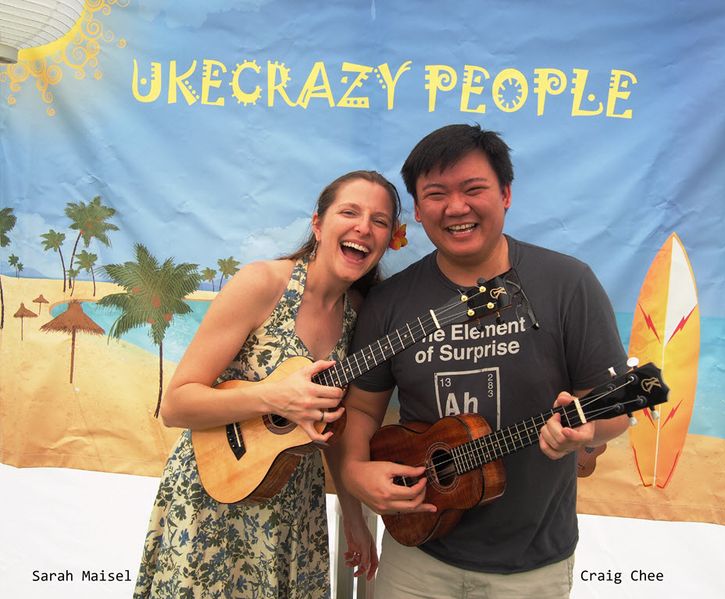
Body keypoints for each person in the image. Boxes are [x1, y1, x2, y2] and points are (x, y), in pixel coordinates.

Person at [330, 124, 630, 598]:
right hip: (416, 553)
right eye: (436, 194)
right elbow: (363, 409)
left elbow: (614, 408)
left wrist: (588, 430)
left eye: (474, 189)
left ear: (506, 194)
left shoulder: (568, 283)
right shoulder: (390, 303)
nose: (456, 207)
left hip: (532, 566)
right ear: (419, 210)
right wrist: (352, 471)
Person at [133, 170, 401, 599]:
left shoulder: (361, 316)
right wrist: (275, 396)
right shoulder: (264, 284)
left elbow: (331, 425)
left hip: (294, 508)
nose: (363, 227)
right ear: (318, 224)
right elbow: (176, 405)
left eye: (380, 220)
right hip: (214, 498)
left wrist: (352, 515)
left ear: (387, 239)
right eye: (349, 212)